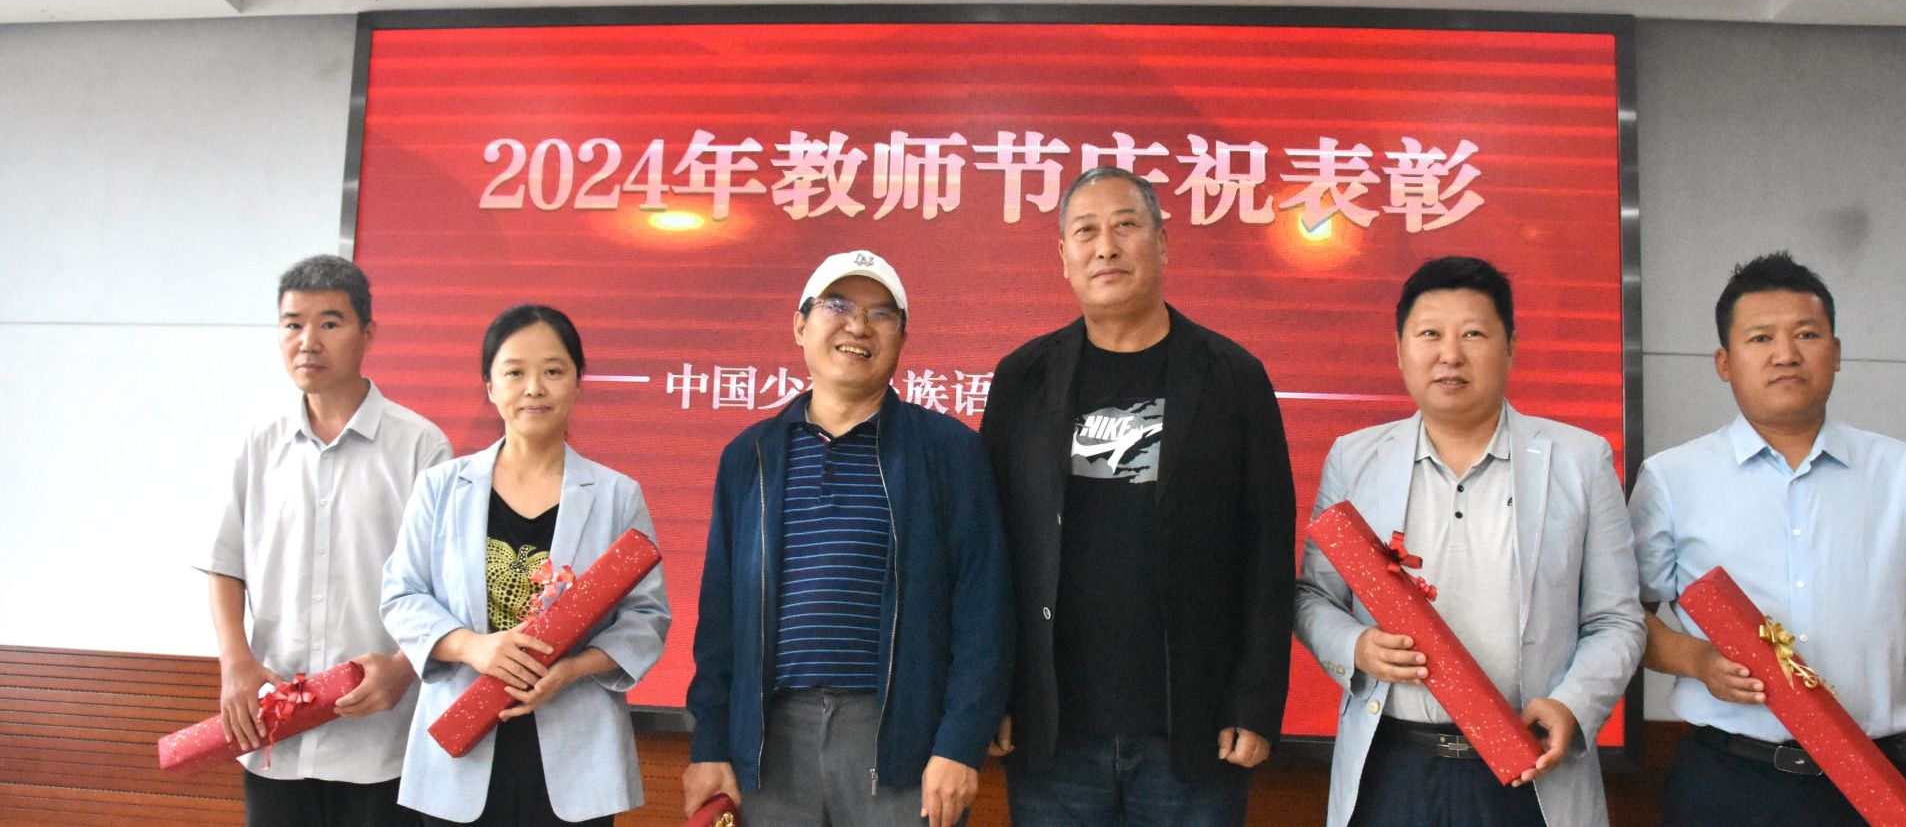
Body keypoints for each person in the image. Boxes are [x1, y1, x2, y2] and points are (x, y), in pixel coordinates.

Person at [979, 167, 1296, 826]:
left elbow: (1267, 550)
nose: (1106, 246)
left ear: (1162, 241)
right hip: (1052, 732)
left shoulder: (1233, 377)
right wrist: (991, 695)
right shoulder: (1023, 379)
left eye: (1125, 225)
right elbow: (990, 553)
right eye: (1085, 231)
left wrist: (1257, 702)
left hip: (1194, 731)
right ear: (1063, 255)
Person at [1631, 252, 1906, 827]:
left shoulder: (1900, 471)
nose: (1785, 354)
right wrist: (1697, 659)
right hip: (1726, 781)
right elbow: (1623, 621)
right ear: (1724, 362)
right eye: (1760, 338)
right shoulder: (1673, 478)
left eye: (1807, 334)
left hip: (1873, 779)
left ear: (1836, 352)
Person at [1294, 255, 1644, 827]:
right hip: (1392, 766)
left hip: (1529, 765)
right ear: (1400, 349)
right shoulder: (1355, 458)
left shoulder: (1580, 461)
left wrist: (1574, 704)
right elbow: (1313, 596)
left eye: (1474, 334)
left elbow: (1617, 619)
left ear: (1511, 347)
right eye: (1430, 334)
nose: (1450, 354)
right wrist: (1356, 646)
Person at [683, 250, 1012, 827]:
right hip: (769, 742)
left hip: (901, 741)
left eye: (881, 314)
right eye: (837, 306)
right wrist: (709, 742)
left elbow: (984, 610)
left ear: (902, 338)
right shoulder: (749, 457)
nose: (858, 325)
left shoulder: (948, 452)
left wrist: (960, 742)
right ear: (800, 325)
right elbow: (719, 621)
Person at [382, 305, 670, 826]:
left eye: (553, 371)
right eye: (514, 372)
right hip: (461, 745)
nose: (534, 388)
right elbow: (401, 596)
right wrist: (473, 647)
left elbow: (647, 618)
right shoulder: (441, 487)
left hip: (576, 752)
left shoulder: (616, 495)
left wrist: (571, 670)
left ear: (578, 382)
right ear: (489, 386)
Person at [199, 253, 451, 826]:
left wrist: (404, 667)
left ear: (368, 333)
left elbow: (447, 586)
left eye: (329, 323)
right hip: (275, 737)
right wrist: (235, 663)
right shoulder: (258, 445)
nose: (307, 341)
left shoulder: (421, 447)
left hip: (382, 740)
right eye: (292, 324)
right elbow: (225, 564)